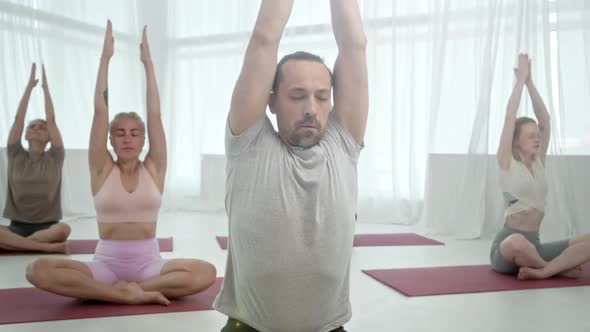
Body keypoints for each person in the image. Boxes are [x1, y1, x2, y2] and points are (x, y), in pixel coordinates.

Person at [25, 21, 216, 305]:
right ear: (111, 141)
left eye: (135, 133)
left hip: (149, 265)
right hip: (105, 264)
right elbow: (100, 111)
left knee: (206, 272)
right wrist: (105, 58)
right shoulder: (102, 168)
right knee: (35, 270)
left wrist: (148, 63)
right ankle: (124, 295)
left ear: (143, 140)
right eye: (120, 133)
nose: (128, 139)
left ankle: (132, 290)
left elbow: (155, 113)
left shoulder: (154, 169)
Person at [215, 0, 368, 331]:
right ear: (271, 99)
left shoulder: (344, 143)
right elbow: (264, 38)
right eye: (297, 96)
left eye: (321, 96)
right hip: (250, 326)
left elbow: (354, 46)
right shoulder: (249, 141)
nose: (311, 108)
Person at [490, 53, 590, 280]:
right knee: (517, 243)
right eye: (531, 136)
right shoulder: (506, 161)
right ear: (516, 141)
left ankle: (542, 269)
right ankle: (551, 268)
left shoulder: (538, 162)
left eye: (538, 136)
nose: (538, 139)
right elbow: (509, 117)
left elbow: (545, 120)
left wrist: (530, 83)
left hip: (534, 244)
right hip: (507, 248)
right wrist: (519, 83)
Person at [0, 63, 69, 253]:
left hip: (48, 227)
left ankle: (20, 244)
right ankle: (43, 248)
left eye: (42, 127)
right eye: (32, 126)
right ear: (25, 134)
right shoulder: (15, 153)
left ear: (49, 137)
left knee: (64, 229)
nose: (37, 128)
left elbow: (52, 119)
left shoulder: (55, 156)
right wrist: (29, 88)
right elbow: (18, 119)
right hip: (16, 226)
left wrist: (46, 89)